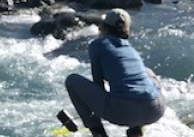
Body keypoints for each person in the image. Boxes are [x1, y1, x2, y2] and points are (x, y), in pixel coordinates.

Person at [65, 9, 165, 137]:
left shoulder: (97, 45)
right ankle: (136, 131)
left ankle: (98, 134)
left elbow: (98, 84)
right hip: (155, 110)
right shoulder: (131, 50)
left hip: (124, 112)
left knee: (72, 80)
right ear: (127, 29)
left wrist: (93, 117)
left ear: (103, 27)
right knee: (147, 72)